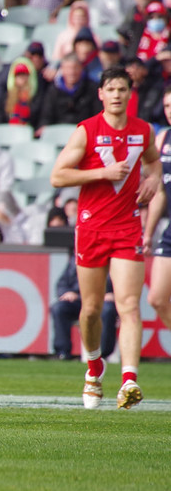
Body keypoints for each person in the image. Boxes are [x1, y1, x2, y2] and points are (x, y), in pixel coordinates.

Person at [50, 66, 161, 410]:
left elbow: (154, 163)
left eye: (122, 89)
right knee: (91, 310)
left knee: (128, 305)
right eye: (110, 89)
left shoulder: (143, 131)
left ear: (130, 93)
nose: (116, 95)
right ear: (101, 94)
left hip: (127, 227)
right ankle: (94, 369)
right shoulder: (86, 131)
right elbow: (58, 176)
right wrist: (102, 172)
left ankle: (129, 380)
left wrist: (154, 179)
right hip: (92, 228)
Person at [144, 86, 171, 362]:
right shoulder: (162, 139)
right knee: (156, 299)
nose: (170, 111)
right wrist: (148, 233)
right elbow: (159, 191)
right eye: (167, 106)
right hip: (169, 230)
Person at [51, 254, 118, 361]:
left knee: (107, 310)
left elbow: (126, 288)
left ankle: (102, 354)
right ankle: (62, 352)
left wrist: (115, 295)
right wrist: (66, 292)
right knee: (59, 308)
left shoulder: (115, 259)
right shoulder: (77, 257)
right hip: (79, 299)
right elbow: (62, 283)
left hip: (103, 300)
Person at [37, 54, 101, 136]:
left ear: (81, 68)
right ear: (62, 69)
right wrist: (43, 127)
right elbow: (46, 115)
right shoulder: (53, 89)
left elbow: (97, 115)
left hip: (84, 132)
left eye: (75, 68)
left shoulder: (92, 88)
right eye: (68, 68)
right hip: (58, 133)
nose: (71, 72)